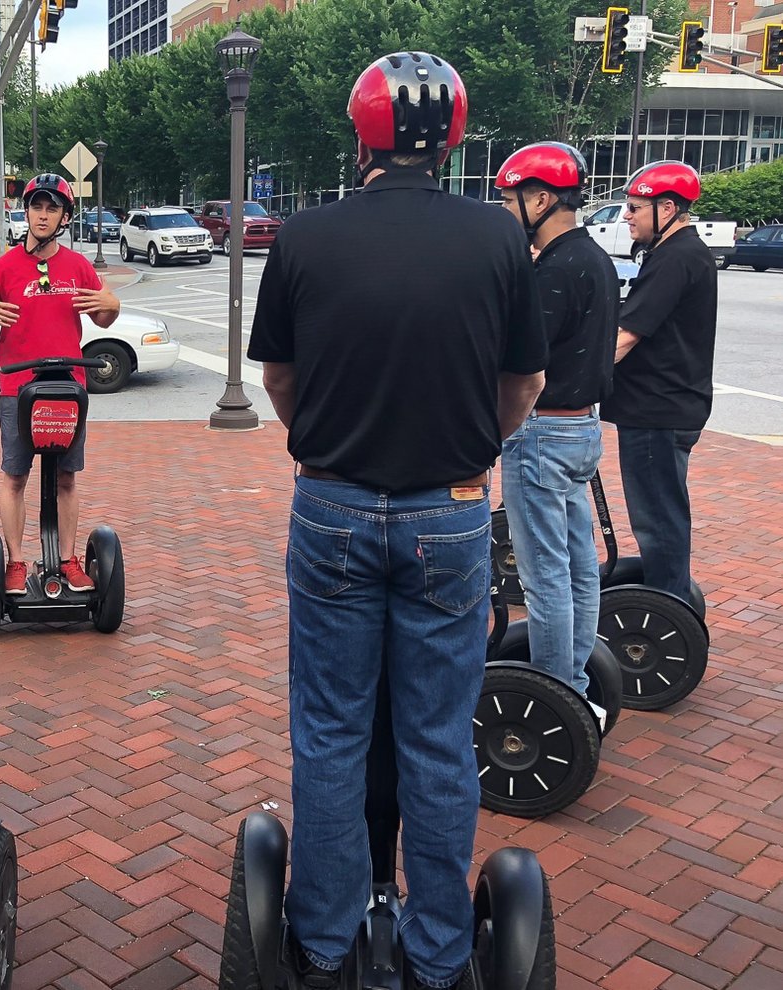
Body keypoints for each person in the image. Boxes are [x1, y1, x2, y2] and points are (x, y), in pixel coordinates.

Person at [247, 53, 547, 990]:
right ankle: (437, 950)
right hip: (451, 513)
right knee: (437, 734)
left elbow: (280, 382)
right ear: (452, 135)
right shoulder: (499, 239)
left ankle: (328, 946)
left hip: (331, 502)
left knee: (331, 729)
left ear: (362, 132)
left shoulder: (304, 236)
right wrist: (464, 452)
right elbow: (524, 384)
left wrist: (338, 446)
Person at [0, 173, 120, 597]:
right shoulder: (3, 267)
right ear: (25, 211)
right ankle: (14, 562)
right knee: (14, 477)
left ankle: (68, 559)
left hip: (68, 390)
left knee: (66, 478)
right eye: (36, 207)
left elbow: (102, 317)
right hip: (18, 390)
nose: (42, 216)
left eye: (52, 209)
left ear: (64, 217)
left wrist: (112, 305)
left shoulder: (78, 265)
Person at [494, 143, 618, 702]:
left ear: (541, 198)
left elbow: (523, 363)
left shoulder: (556, 269)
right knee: (577, 568)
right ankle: (579, 687)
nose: (505, 210)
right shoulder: (594, 257)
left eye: (510, 198)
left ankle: (556, 695)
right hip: (581, 429)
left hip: (542, 433)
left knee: (544, 579)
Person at [600, 160, 716, 606]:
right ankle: (670, 594)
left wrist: (574, 379)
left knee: (658, 518)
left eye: (634, 207)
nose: (626, 215)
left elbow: (627, 336)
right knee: (662, 514)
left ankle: (668, 606)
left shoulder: (676, 257)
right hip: (664, 406)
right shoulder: (676, 253)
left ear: (666, 207)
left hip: (657, 410)